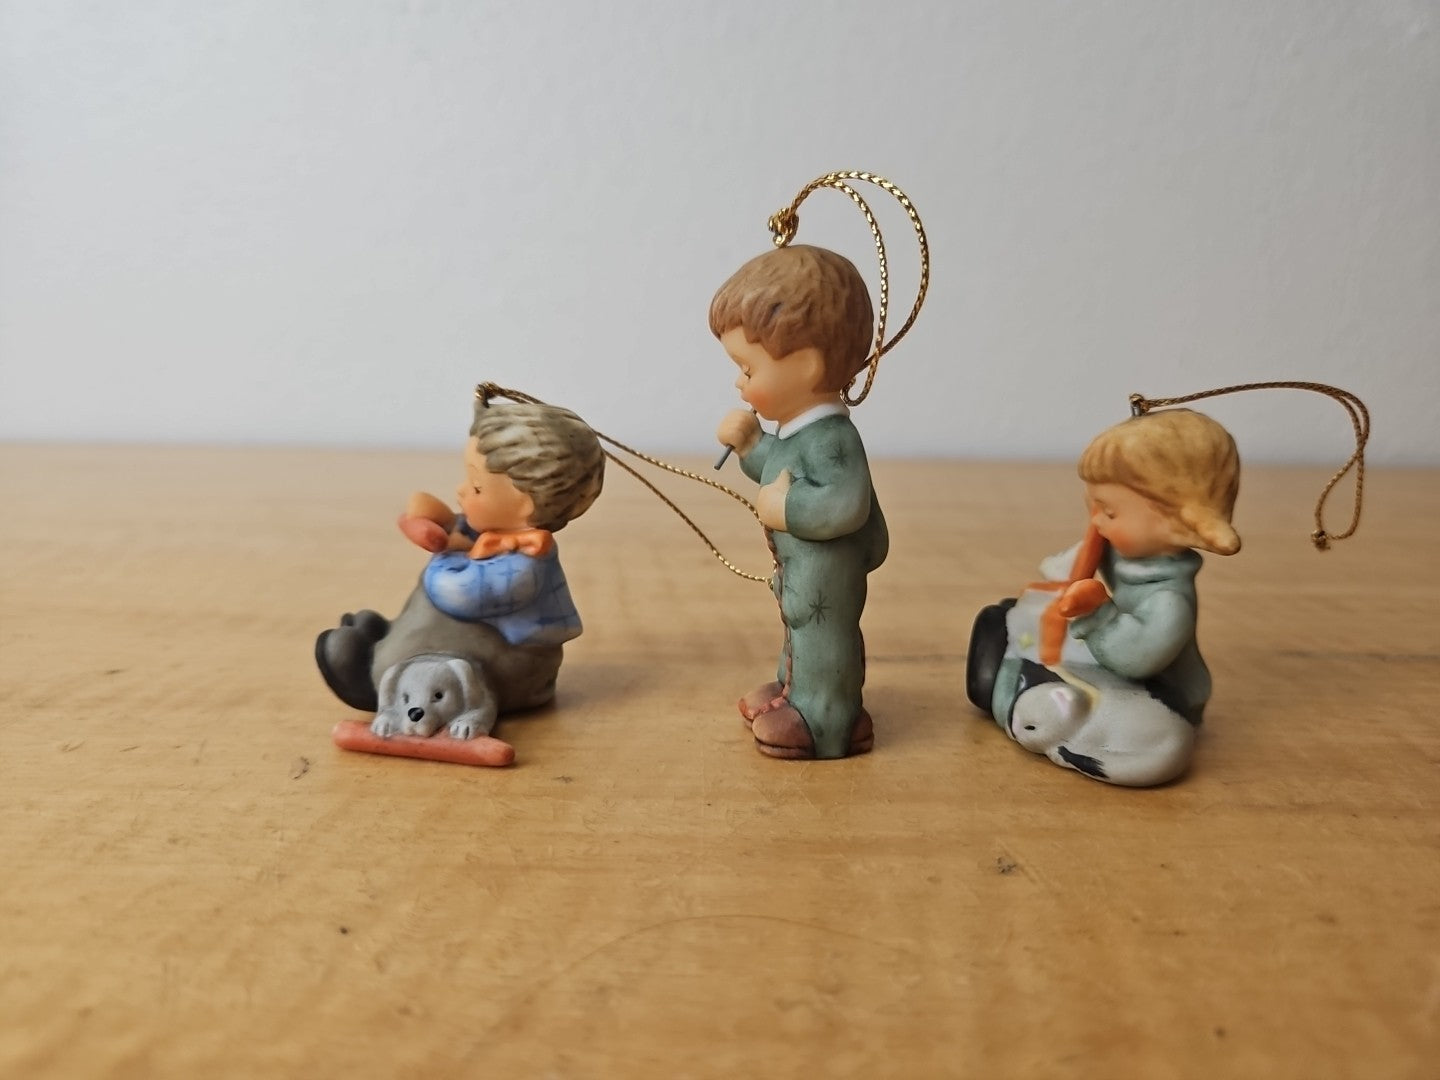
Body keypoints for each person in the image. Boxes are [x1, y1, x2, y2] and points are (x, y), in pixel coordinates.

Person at [968, 407, 1241, 785]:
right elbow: (1071, 567)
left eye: (1110, 512)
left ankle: (1051, 721)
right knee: (1008, 619)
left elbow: (1135, 659)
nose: (1096, 521)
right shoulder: (1125, 554)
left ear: (1178, 525)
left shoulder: (1169, 602)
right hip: (1100, 654)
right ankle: (1020, 688)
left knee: (1085, 708)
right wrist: (1068, 577)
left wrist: (1098, 614)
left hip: (1150, 686)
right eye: (1093, 507)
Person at [315, 399, 604, 721]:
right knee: (427, 618)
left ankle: (376, 674)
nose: (461, 491)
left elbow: (454, 593)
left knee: (435, 619)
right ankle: (387, 640)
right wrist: (438, 524)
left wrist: (447, 546)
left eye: (477, 487)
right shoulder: (487, 533)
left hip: (517, 664)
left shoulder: (524, 568)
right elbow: (456, 530)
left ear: (524, 505)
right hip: (483, 638)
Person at [711, 244, 889, 759]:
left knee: (821, 638)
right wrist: (752, 445)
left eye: (748, 369)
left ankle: (827, 718)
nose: (739, 382)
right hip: (802, 577)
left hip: (827, 577)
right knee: (799, 635)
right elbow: (780, 467)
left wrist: (783, 509)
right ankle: (794, 691)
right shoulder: (800, 432)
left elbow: (844, 503)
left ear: (807, 366)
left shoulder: (834, 439)